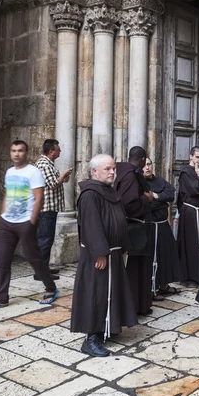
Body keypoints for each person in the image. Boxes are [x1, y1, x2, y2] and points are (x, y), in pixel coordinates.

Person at [71, 154, 137, 357]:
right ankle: (91, 338)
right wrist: (100, 253)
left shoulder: (108, 191)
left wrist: (124, 244)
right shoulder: (90, 194)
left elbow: (119, 221)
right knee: (96, 293)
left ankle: (107, 326)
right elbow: (91, 226)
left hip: (114, 252)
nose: (112, 172)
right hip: (99, 255)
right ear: (94, 171)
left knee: (110, 291)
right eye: (107, 169)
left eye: (113, 168)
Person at [0, 140, 59, 312]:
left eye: (20, 150)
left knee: (34, 258)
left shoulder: (33, 172)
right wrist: (2, 216)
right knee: (2, 260)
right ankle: (1, 297)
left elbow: (39, 198)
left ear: (27, 152)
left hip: (25, 222)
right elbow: (7, 195)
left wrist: (31, 222)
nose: (16, 154)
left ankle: (51, 288)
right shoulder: (9, 172)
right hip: (7, 223)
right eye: (14, 150)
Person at [115, 146, 155, 316]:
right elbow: (128, 204)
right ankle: (136, 306)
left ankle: (137, 305)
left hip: (130, 227)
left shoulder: (122, 171)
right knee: (136, 268)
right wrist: (146, 198)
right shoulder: (131, 176)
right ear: (143, 159)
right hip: (135, 228)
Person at [142, 157, 182, 299]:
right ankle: (152, 288)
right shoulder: (138, 183)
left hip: (163, 225)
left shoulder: (160, 180)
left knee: (165, 256)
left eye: (149, 164)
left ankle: (163, 285)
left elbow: (171, 194)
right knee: (152, 257)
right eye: (144, 165)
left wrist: (156, 196)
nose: (147, 167)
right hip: (149, 227)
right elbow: (147, 204)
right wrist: (161, 201)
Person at [34, 139, 73, 281]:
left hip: (49, 208)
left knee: (46, 239)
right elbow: (53, 184)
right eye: (58, 149)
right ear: (51, 151)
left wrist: (62, 178)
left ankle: (43, 268)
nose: (60, 151)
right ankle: (40, 273)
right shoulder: (44, 164)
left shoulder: (46, 164)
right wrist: (63, 175)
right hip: (46, 208)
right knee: (45, 239)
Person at [177, 146, 199, 287]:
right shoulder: (187, 172)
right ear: (190, 156)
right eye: (197, 157)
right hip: (190, 212)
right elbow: (197, 189)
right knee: (191, 244)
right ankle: (190, 277)